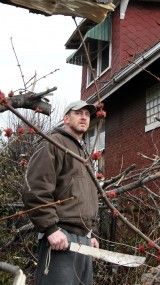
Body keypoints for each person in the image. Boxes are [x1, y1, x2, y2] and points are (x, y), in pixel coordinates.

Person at [22, 100, 99, 285]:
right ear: (66, 118)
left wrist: (91, 234)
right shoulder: (53, 142)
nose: (84, 117)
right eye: (78, 113)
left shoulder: (83, 153)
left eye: (87, 114)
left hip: (84, 241)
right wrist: (50, 229)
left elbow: (84, 196)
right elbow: (35, 188)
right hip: (61, 238)